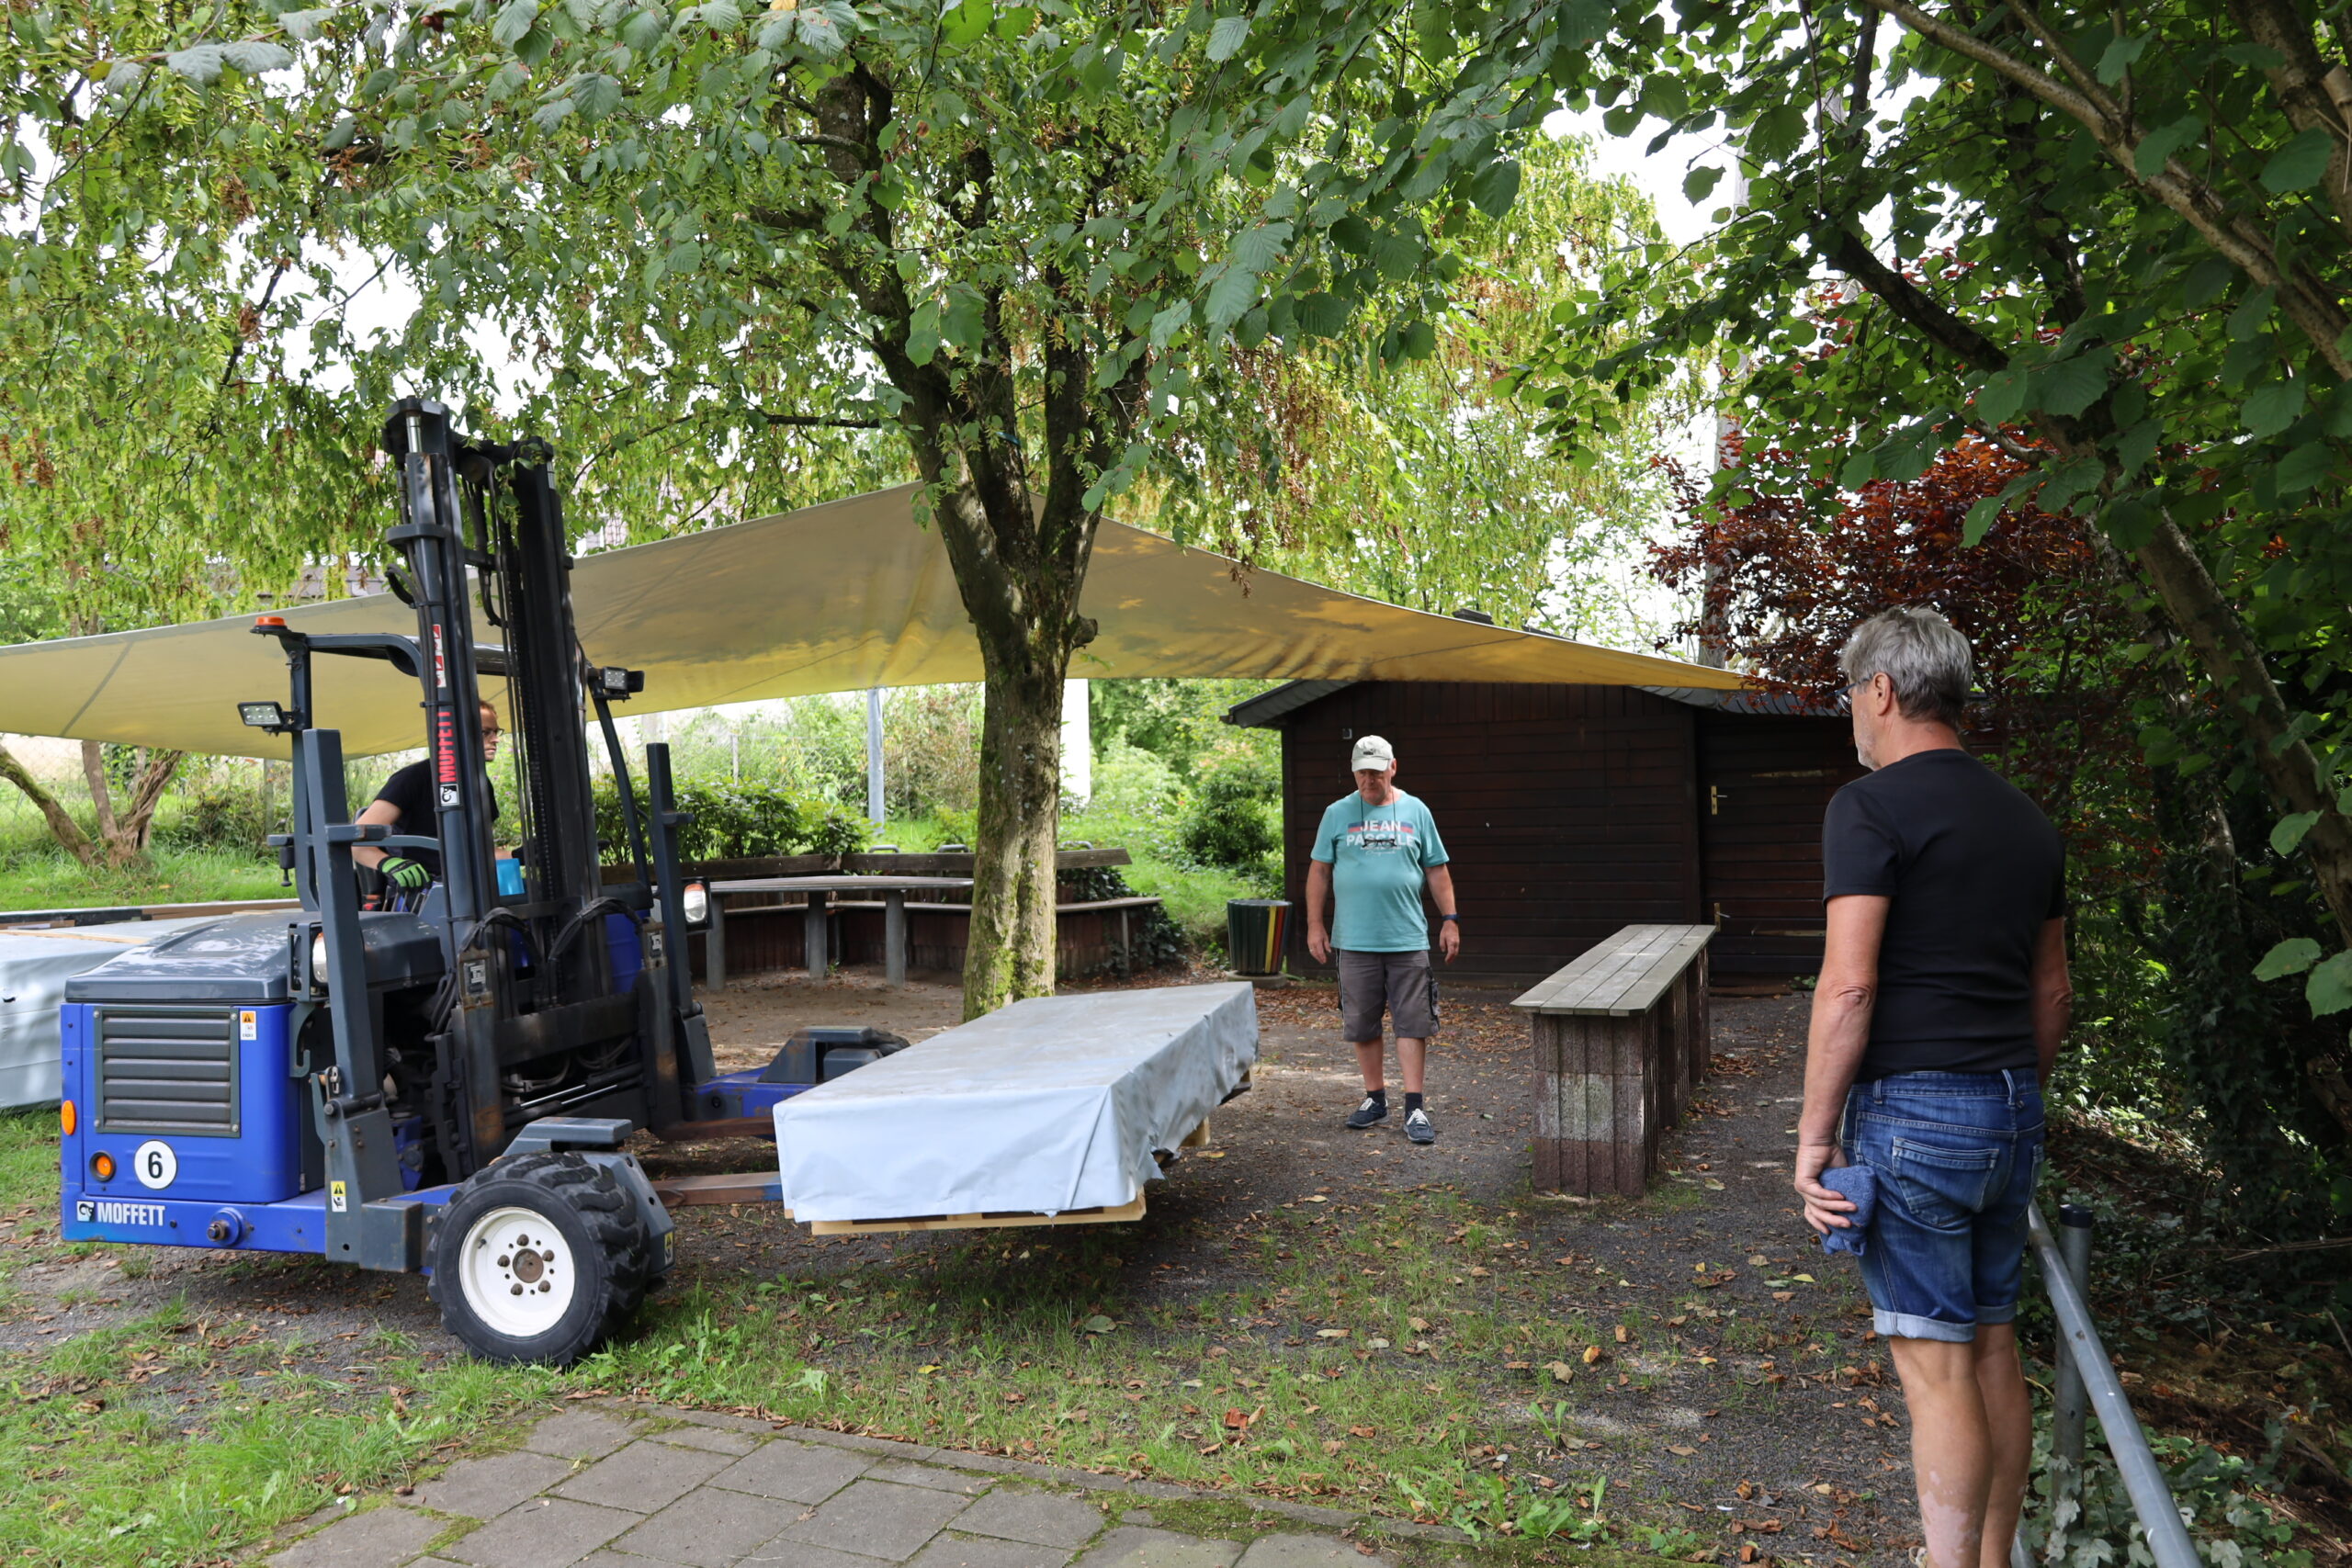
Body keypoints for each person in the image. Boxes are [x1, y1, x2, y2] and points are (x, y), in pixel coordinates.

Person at [1792, 607, 2070, 1568]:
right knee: (1992, 1346)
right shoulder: (2027, 820)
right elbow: (2052, 991)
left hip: (1912, 1117)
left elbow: (1848, 985)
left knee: (1935, 1370)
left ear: (1880, 690)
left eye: (1850, 695)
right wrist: (2009, 1104)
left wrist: (1812, 1141)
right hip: (2011, 1109)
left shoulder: (1866, 808)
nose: (1851, 716)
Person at [1303, 735, 1460, 1145]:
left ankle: (1415, 1107)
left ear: (1393, 767)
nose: (1369, 780)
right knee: (1361, 1023)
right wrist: (1315, 925)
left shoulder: (1416, 810)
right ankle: (1375, 1099)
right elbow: (1319, 871)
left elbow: (1436, 869)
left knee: (1413, 1022)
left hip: (1406, 936)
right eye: (1362, 772)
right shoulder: (1336, 813)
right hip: (1354, 939)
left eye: (1376, 771)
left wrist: (1450, 920)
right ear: (1354, 772)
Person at [353, 699, 504, 893]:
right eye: (485, 732)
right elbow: (358, 842)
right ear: (454, 733)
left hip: (469, 888)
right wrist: (389, 863)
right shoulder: (414, 778)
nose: (496, 739)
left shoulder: (480, 784)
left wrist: (522, 855)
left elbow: (484, 852)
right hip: (422, 893)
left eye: (496, 732)